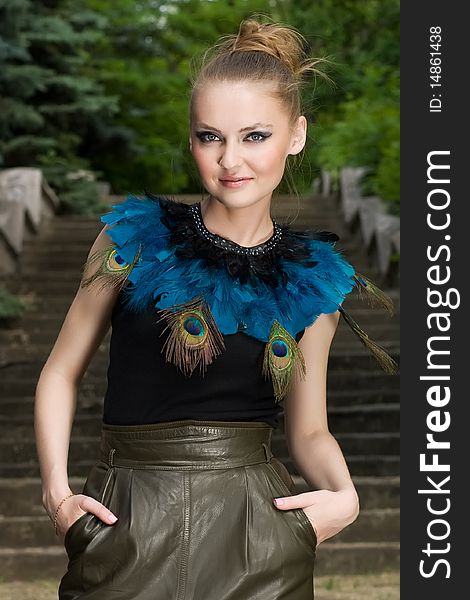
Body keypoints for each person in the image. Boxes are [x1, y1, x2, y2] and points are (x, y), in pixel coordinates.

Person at [35, 17, 398, 600]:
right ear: (192, 139)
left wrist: (345, 498)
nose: (231, 159)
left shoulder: (312, 281)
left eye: (255, 136)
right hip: (124, 521)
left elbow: (309, 432)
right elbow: (59, 371)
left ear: (296, 135)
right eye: (210, 136)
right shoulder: (132, 239)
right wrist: (56, 494)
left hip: (259, 537)